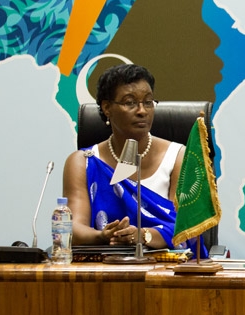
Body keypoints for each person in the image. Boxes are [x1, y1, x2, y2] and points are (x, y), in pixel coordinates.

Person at [63, 64, 185, 248]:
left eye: (148, 102)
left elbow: (187, 228)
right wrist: (104, 236)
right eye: (130, 102)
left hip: (164, 269)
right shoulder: (83, 162)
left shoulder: (178, 157)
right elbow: (72, 228)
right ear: (107, 108)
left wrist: (142, 235)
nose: (142, 111)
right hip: (103, 268)